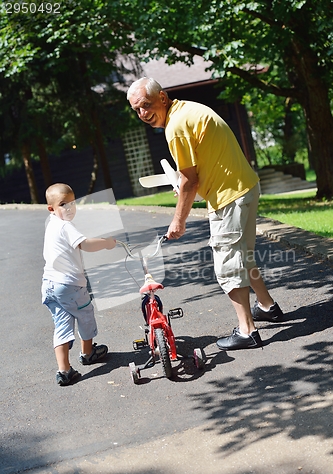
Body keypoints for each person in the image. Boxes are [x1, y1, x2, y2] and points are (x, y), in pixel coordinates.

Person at [127, 77, 284, 351]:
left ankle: (247, 331)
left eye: (146, 105)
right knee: (243, 255)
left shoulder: (175, 127)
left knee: (227, 267)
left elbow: (190, 179)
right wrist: (185, 184)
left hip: (229, 198)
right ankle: (267, 306)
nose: (142, 114)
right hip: (245, 186)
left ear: (162, 98)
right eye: (137, 110)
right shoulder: (187, 109)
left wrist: (179, 220)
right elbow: (197, 170)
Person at [42, 183, 117, 386]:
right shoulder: (65, 226)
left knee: (62, 324)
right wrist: (106, 243)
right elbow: (84, 244)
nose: (70, 208)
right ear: (52, 209)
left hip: (49, 285)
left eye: (72, 203)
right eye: (63, 204)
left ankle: (64, 371)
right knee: (84, 314)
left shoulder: (51, 224)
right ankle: (87, 353)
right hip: (70, 285)